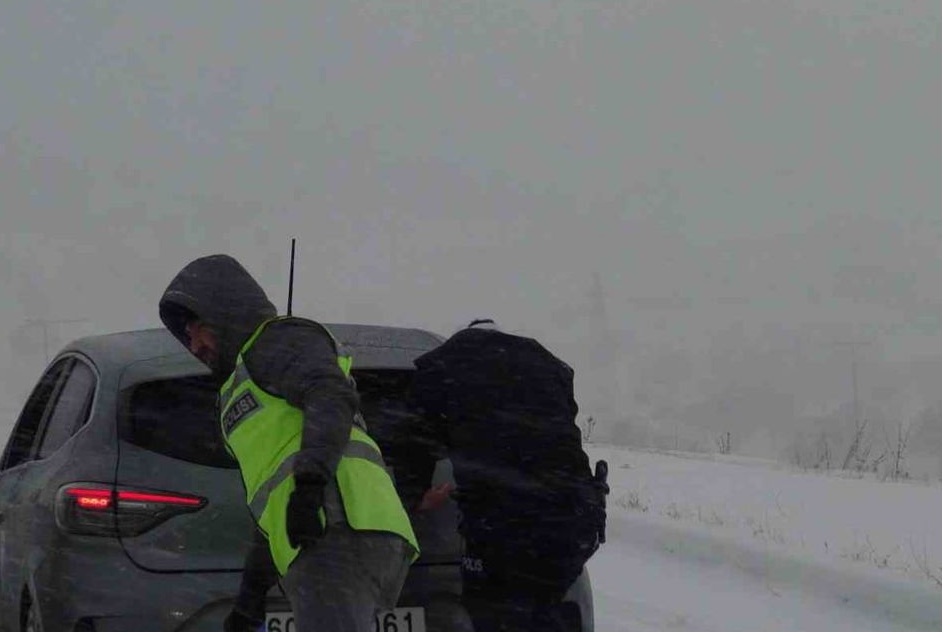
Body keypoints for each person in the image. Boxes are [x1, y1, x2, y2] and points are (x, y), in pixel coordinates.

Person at [158, 254, 419, 632]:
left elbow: (330, 394)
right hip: (330, 532)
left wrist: (310, 486)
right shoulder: (243, 388)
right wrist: (251, 599)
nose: (194, 345)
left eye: (197, 328)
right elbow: (275, 499)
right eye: (186, 337)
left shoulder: (277, 340)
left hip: (341, 526)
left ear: (222, 315)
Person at [404, 319, 607, 632]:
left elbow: (413, 443)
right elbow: (563, 434)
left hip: (504, 528)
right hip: (572, 522)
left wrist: (413, 495)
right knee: (543, 615)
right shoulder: (548, 367)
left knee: (497, 615)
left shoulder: (443, 366)